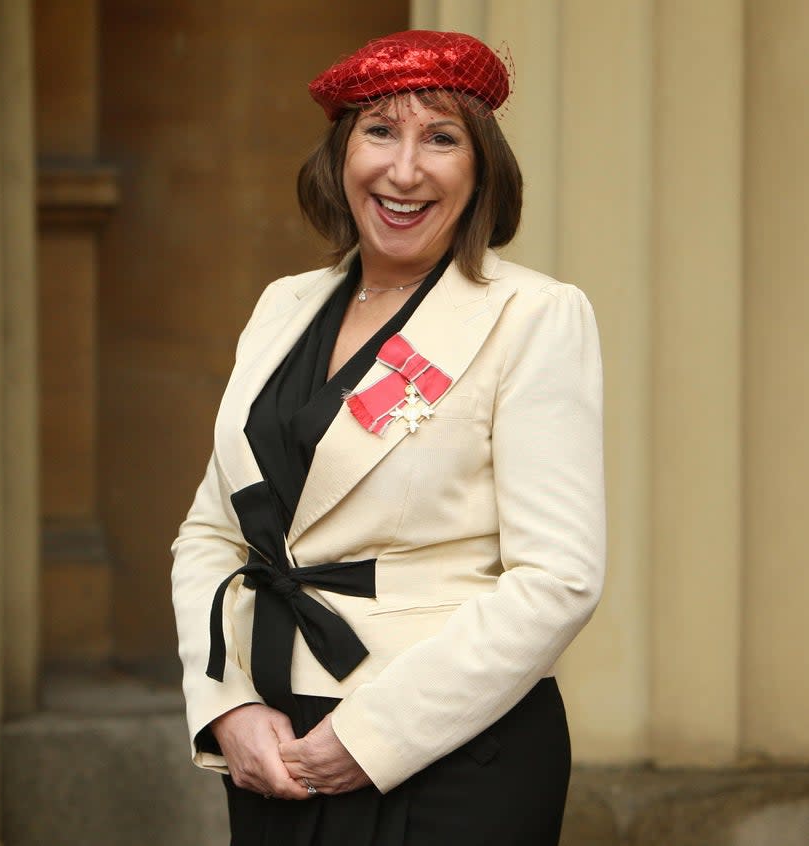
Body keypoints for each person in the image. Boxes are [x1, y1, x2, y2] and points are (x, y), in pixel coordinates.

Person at [171, 29, 605, 845]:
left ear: (481, 172)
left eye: (441, 138)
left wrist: (373, 739)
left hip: (450, 752)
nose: (404, 170)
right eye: (380, 132)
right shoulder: (283, 307)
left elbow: (560, 578)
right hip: (274, 744)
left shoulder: (533, 317)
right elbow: (211, 533)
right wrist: (225, 703)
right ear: (342, 155)